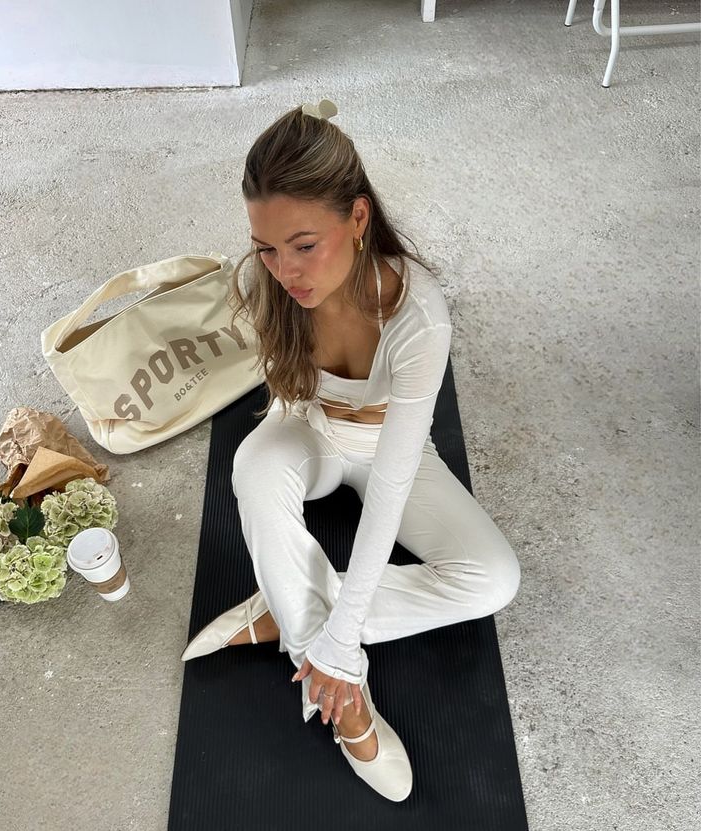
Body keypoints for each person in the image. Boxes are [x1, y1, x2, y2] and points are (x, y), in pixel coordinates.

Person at [181, 98, 521, 802]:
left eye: (304, 244)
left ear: (358, 219)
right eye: (267, 247)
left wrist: (339, 632)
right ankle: (350, 707)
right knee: (254, 461)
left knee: (494, 578)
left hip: (387, 454)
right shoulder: (266, 282)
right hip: (309, 434)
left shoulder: (419, 316)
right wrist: (338, 656)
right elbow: (283, 400)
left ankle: (289, 612)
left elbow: (393, 482)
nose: (285, 270)